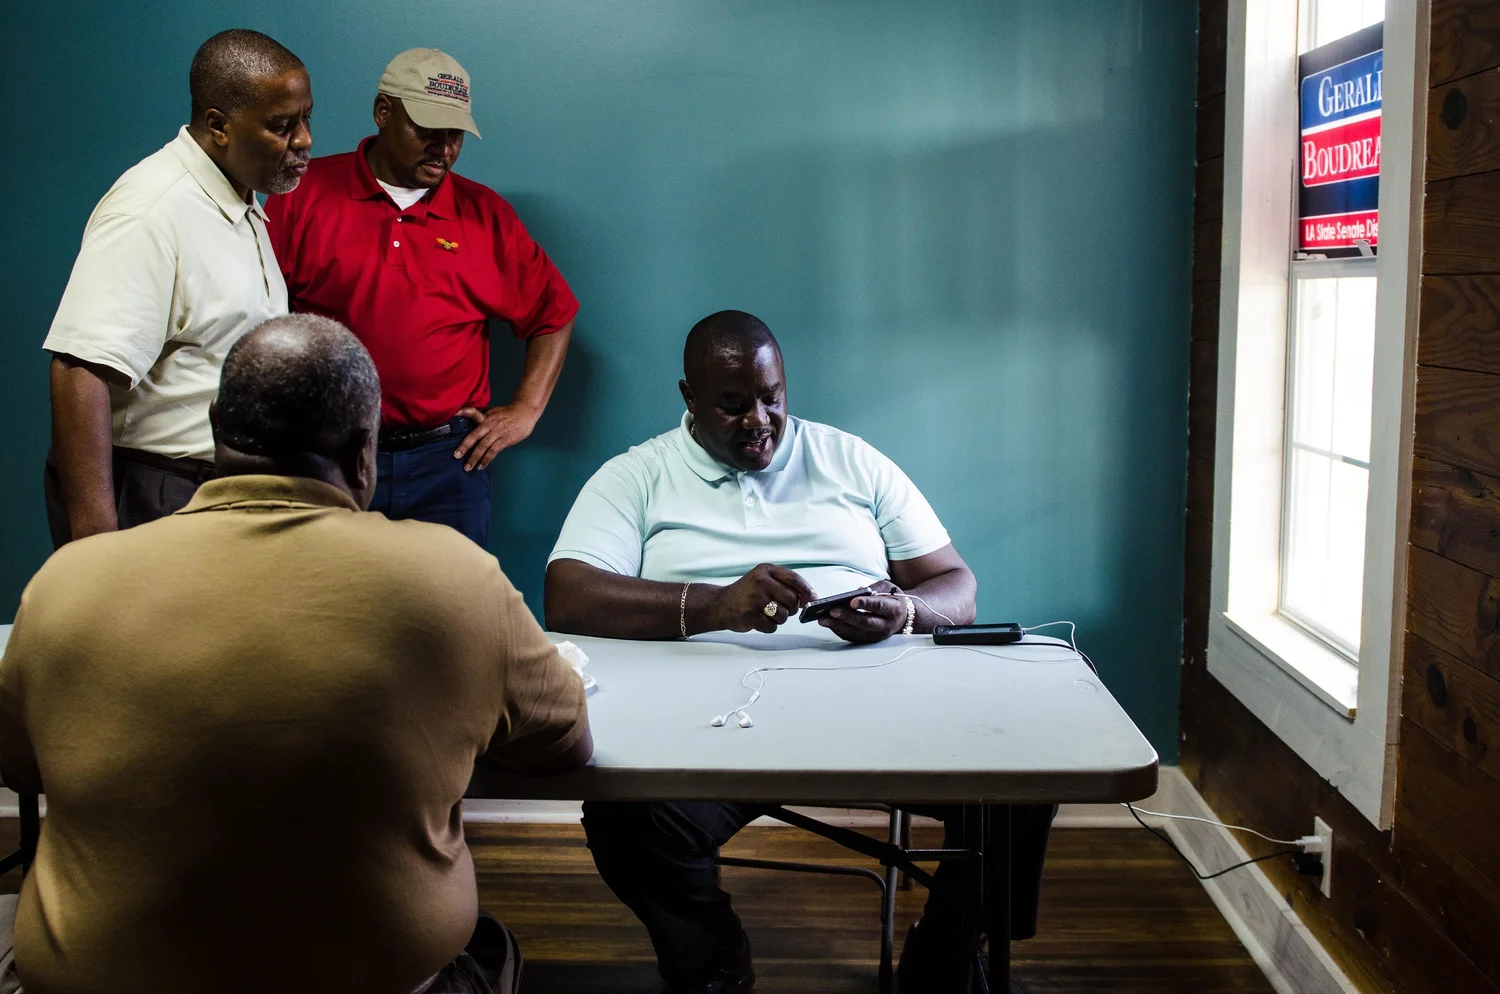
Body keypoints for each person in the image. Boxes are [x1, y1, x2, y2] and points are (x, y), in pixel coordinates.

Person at [0, 315, 593, 994]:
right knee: (490, 945)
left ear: (217, 427)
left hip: (92, 982)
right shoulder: (458, 577)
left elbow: (20, 763)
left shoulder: (67, 581)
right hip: (381, 980)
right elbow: (565, 743)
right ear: (364, 451)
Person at [545, 310, 1054, 994]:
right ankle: (715, 965)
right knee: (626, 823)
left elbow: (956, 584)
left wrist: (903, 613)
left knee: (1024, 785)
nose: (758, 421)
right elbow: (568, 595)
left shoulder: (850, 459)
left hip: (877, 712)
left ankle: (945, 957)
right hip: (708, 729)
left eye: (772, 398)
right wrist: (715, 605)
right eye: (732, 404)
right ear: (689, 396)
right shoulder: (637, 475)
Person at [265, 48, 578, 546]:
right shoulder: (303, 192)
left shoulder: (486, 215)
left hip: (448, 464)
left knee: (450, 599)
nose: (444, 148)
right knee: (325, 593)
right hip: (328, 454)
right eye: (427, 129)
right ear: (383, 112)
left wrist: (526, 408)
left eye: (455, 135)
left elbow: (554, 314)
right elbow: (257, 312)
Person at [43, 29, 314, 547]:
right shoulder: (153, 210)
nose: (303, 140)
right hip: (158, 491)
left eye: (306, 119)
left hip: (221, 489)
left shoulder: (238, 198)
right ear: (219, 126)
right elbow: (80, 368)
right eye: (282, 126)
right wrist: (95, 542)